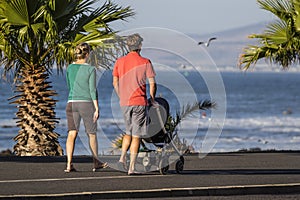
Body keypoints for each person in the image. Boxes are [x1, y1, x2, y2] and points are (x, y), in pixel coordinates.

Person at [113, 33, 157, 175]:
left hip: (125, 102)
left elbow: (115, 82)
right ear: (139, 46)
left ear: (128, 45)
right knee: (136, 135)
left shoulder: (119, 61)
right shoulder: (145, 62)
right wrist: (152, 98)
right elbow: (152, 83)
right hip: (139, 101)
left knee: (128, 131)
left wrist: (121, 95)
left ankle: (121, 158)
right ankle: (131, 167)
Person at [65, 43, 108, 172]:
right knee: (91, 134)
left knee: (72, 133)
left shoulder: (69, 68)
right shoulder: (90, 69)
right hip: (86, 103)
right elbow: (92, 90)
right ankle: (96, 162)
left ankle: (68, 164)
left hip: (71, 103)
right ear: (88, 54)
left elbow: (69, 85)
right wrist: (97, 108)